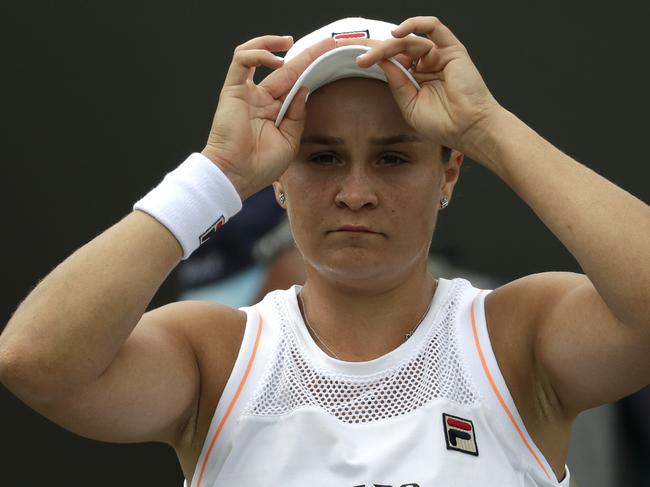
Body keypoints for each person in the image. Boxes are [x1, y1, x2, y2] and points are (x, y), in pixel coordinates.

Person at [0, 15, 648, 487]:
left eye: (393, 157)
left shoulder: (515, 337)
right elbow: (36, 360)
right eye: (323, 157)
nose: (356, 192)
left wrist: (488, 128)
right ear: (278, 178)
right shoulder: (218, 355)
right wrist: (217, 173)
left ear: (450, 173)